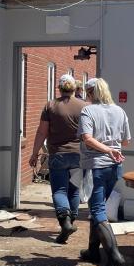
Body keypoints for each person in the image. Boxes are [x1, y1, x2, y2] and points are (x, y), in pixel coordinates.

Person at [79, 77, 131, 266]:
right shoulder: (119, 111)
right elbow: (126, 141)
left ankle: (113, 254)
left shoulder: (88, 111)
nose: (86, 96)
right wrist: (112, 147)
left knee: (98, 209)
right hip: (115, 168)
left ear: (91, 93)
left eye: (86, 92)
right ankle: (93, 252)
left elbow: (87, 138)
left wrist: (106, 149)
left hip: (96, 167)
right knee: (96, 207)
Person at [28, 73, 86, 243]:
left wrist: (34, 153)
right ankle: (70, 222)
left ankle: (65, 223)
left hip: (58, 155)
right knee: (74, 190)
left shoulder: (50, 106)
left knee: (59, 190)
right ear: (75, 88)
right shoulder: (84, 106)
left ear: (59, 88)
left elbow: (42, 132)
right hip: (78, 156)